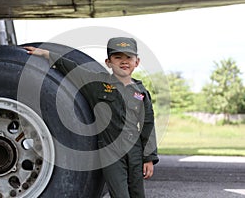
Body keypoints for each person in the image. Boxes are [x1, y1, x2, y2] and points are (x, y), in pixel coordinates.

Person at [24, 37, 159, 198]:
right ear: (108, 62)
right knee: (120, 194)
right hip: (111, 152)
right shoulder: (97, 83)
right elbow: (72, 69)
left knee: (138, 194)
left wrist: (149, 158)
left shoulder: (141, 92)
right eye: (118, 57)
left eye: (128, 58)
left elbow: (148, 125)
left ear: (136, 62)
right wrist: (46, 53)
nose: (124, 62)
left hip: (134, 151)